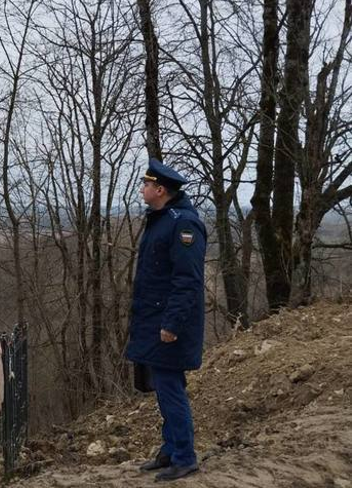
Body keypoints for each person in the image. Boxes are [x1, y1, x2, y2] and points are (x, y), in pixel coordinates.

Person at [126, 159, 207, 482]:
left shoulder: (183, 224)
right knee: (163, 387)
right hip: (153, 321)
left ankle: (185, 457)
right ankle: (170, 449)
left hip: (170, 325)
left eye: (146, 185)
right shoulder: (161, 220)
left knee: (170, 388)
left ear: (160, 190)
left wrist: (172, 324)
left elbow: (187, 280)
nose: (142, 189)